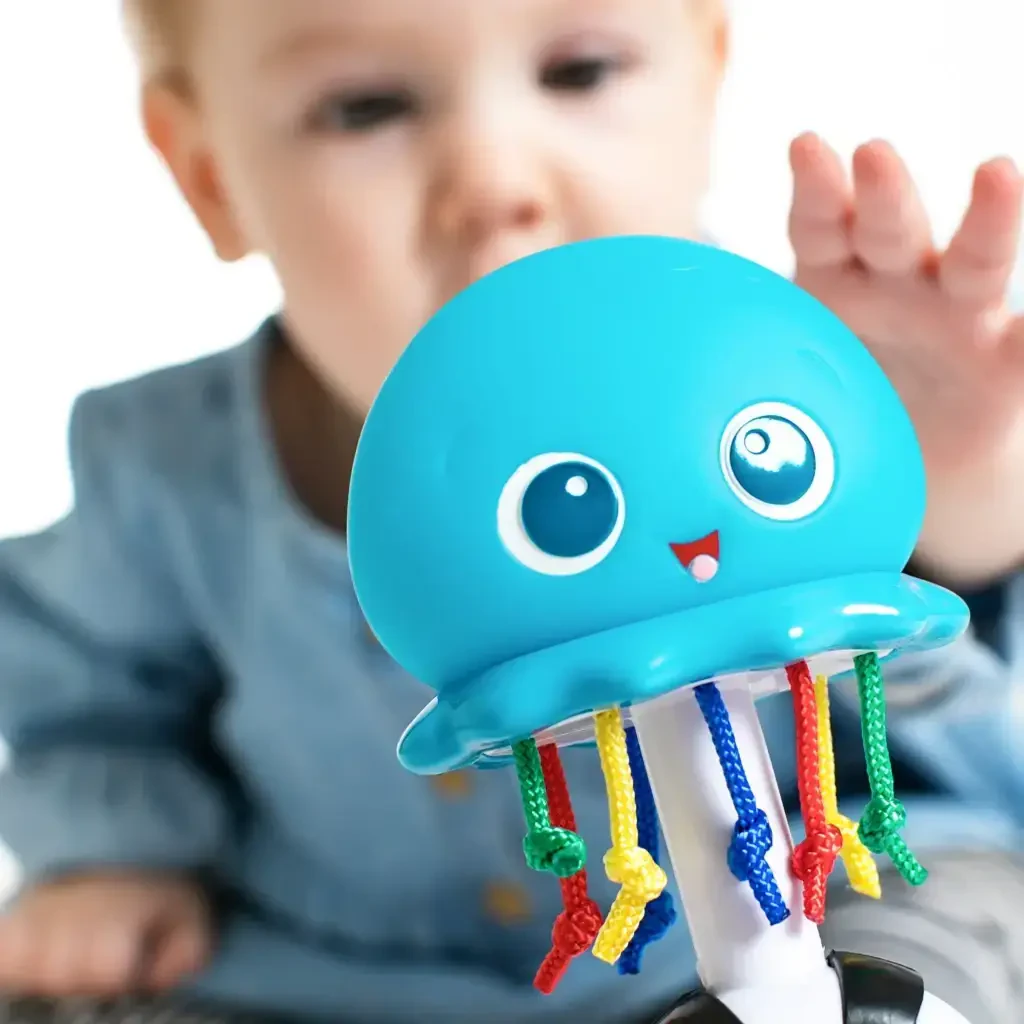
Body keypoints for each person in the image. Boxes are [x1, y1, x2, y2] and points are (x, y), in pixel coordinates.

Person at [1, 0, 1023, 1021]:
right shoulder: (163, 465)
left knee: (943, 909)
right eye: (365, 108)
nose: (495, 185)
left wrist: (956, 506)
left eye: (580, 72)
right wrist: (111, 855)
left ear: (705, 92)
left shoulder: (792, 397)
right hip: (340, 971)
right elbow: (85, 697)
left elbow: (961, 738)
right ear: (211, 176)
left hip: (798, 899)